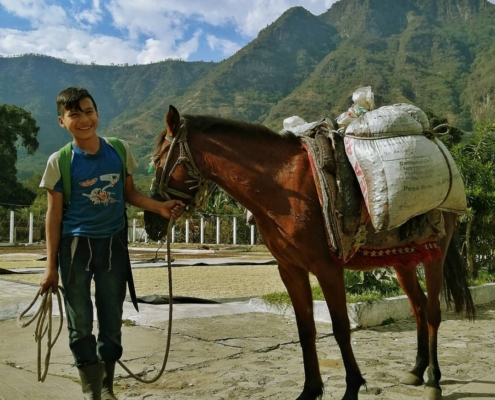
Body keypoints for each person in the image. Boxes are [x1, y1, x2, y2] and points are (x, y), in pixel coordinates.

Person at [39, 86, 184, 400]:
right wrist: (50, 268)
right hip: (75, 248)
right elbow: (53, 217)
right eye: (74, 114)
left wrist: (160, 207)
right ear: (62, 121)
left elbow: (129, 194)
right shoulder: (59, 161)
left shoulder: (119, 150)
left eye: (88, 111)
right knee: (79, 323)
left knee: (111, 320)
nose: (84, 119)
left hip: (114, 246)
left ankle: (106, 388)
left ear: (97, 114)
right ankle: (92, 390)